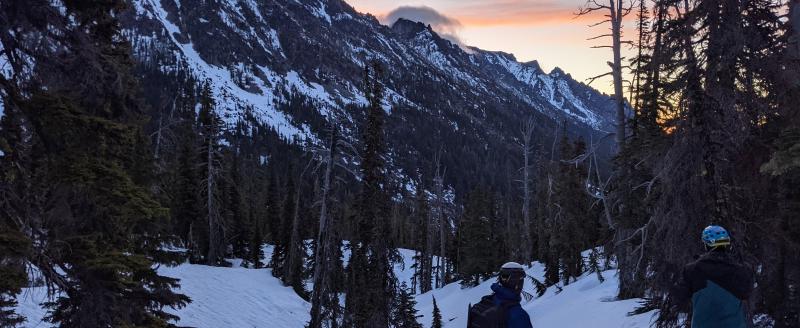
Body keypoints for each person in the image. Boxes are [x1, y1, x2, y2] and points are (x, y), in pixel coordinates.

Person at [671, 225, 753, 328]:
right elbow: (747, 293)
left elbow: (679, 300)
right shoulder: (742, 270)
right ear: (727, 243)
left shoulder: (692, 270)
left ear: (706, 244)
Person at [467, 262, 533, 328]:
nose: (522, 282)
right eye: (521, 278)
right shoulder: (518, 315)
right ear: (516, 282)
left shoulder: (490, 300)